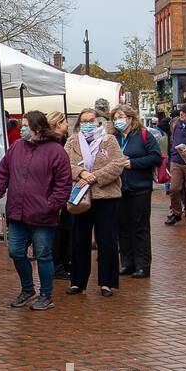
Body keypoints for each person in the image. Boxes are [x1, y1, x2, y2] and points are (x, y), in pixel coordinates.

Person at [0, 110, 72, 311]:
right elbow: (3, 172)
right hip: (17, 213)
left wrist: (51, 205)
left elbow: (63, 184)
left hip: (43, 215)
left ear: (38, 128)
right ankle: (27, 289)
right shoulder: (17, 147)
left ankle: (46, 294)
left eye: (26, 125)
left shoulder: (56, 151)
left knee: (43, 254)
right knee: (16, 252)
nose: (22, 128)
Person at [65, 108, 127, 297]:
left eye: (91, 120)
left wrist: (94, 177)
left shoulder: (109, 140)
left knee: (106, 240)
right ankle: (78, 282)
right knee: (79, 240)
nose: (87, 124)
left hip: (106, 197)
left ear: (98, 122)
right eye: (84, 121)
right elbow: (66, 163)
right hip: (81, 198)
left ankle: (107, 282)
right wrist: (82, 174)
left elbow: (117, 164)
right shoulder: (72, 141)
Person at [113, 105, 162, 278]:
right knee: (123, 226)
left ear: (130, 118)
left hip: (139, 188)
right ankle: (127, 262)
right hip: (119, 188)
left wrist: (133, 163)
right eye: (115, 117)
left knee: (139, 226)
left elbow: (156, 157)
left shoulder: (143, 135)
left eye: (121, 116)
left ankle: (143, 264)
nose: (118, 120)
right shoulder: (113, 138)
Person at [46, 110, 74, 280]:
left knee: (66, 229)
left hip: (65, 193)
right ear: (58, 124)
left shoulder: (64, 141)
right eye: (64, 122)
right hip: (56, 193)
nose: (67, 125)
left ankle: (64, 262)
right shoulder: (53, 145)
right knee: (58, 231)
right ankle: (57, 265)